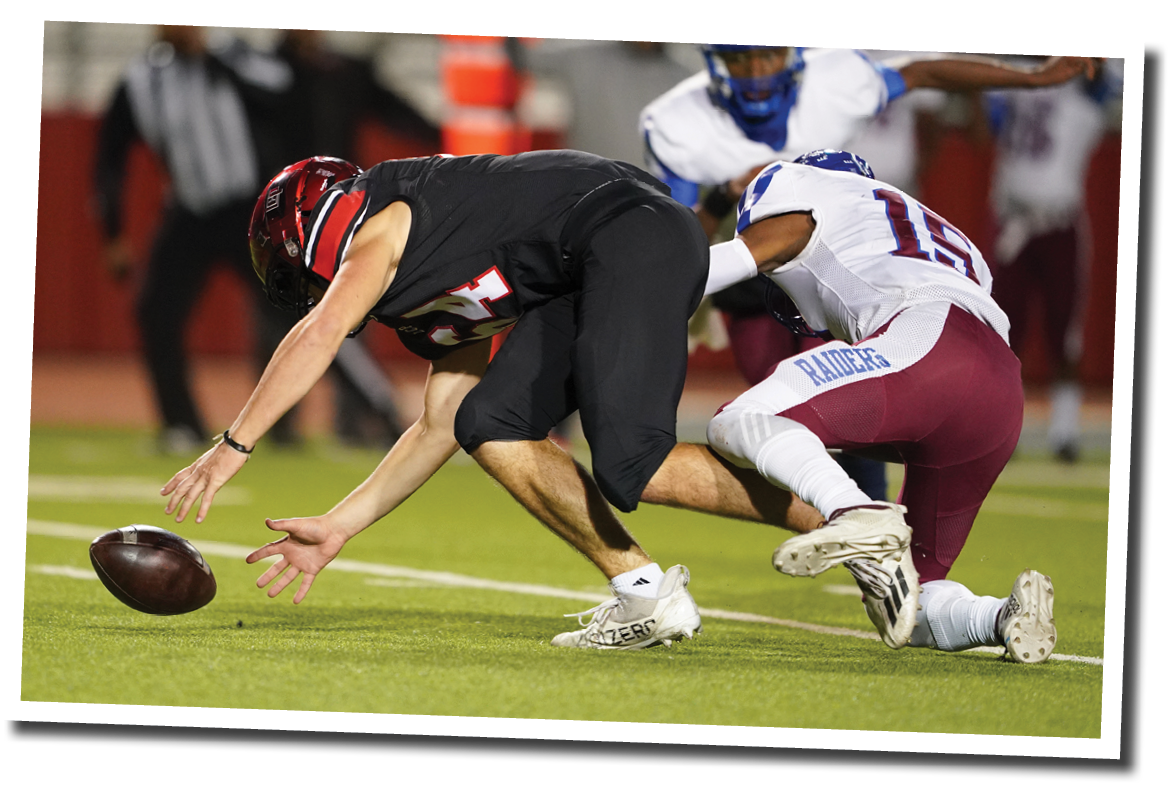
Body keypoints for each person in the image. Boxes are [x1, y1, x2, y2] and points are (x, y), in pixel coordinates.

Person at [160, 151, 826, 650]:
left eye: (299, 268)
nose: (309, 286)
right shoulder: (414, 282)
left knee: (632, 462)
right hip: (598, 260)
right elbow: (440, 424)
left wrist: (233, 445)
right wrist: (342, 524)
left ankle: (837, 519)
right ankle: (645, 594)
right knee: (491, 422)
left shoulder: (381, 223)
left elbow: (320, 332)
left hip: (629, 230)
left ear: (314, 223)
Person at [640, 47, 1103, 502]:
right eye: (742, 58)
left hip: (833, 265)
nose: (757, 71)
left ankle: (866, 521)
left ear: (794, 53)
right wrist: (724, 197)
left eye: (769, 55)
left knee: (840, 410)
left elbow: (924, 72)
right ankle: (851, 517)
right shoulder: (678, 120)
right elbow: (685, 233)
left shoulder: (835, 79)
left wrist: (1031, 77)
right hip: (744, 274)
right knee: (777, 410)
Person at [703, 149, 1055, 664]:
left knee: (739, 420)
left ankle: (856, 512)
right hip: (999, 390)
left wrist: (662, 284)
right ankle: (1002, 616)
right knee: (904, 598)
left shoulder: (803, 187)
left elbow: (763, 244)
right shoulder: (930, 229)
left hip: (926, 341)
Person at [93, 25, 303, 453]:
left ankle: (312, 420)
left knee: (301, 306)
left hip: (250, 210)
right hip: (189, 211)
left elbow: (285, 94)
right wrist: (113, 232)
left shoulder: (234, 54)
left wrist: (214, 59)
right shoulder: (141, 78)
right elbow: (109, 157)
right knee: (156, 312)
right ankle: (182, 423)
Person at [273, 29, 446, 449]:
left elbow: (391, 107)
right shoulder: (270, 71)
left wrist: (438, 133)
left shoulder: (344, 71)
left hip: (340, 210)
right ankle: (284, 422)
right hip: (284, 211)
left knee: (346, 306)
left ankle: (354, 417)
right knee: (284, 312)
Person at [982, 58, 1123, 462]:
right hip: (1013, 221)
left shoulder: (1086, 91)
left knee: (1065, 331)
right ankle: (1001, 428)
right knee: (1004, 333)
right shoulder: (1018, 79)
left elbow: (1109, 70)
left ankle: (1064, 432)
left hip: (1059, 220)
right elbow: (986, 119)